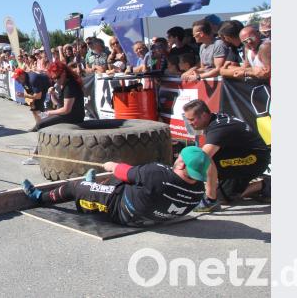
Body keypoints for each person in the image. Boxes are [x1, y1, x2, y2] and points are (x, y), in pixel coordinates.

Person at [21, 146, 211, 227]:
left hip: (123, 211)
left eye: (179, 157)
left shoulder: (157, 173)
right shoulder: (198, 190)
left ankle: (39, 197)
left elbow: (123, 171)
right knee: (120, 183)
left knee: (74, 187)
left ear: (183, 164)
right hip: (152, 215)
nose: (176, 158)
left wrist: (111, 165)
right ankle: (91, 188)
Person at [182, 99, 271, 212]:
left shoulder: (219, 127)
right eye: (187, 119)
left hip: (256, 159)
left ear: (204, 115)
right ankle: (236, 188)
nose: (189, 123)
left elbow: (201, 158)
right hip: (244, 154)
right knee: (210, 163)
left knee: (221, 195)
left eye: (191, 119)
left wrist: (181, 179)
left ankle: (264, 185)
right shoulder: (215, 119)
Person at [35, 61, 84, 130]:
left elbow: (66, 110)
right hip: (66, 115)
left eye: (57, 77)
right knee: (39, 118)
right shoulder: (61, 84)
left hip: (73, 117)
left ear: (64, 73)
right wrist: (52, 94)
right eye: (53, 78)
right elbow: (57, 103)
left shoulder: (70, 86)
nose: (56, 80)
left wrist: (49, 113)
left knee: (40, 124)